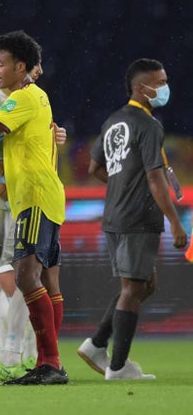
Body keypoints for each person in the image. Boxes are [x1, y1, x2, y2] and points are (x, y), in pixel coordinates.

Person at [78, 58, 187, 380]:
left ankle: (97, 344)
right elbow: (155, 177)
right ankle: (117, 366)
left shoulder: (114, 120)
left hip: (116, 214)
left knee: (143, 284)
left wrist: (123, 187)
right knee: (133, 287)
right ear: (141, 88)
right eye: (160, 82)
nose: (165, 88)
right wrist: (175, 223)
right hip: (138, 218)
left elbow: (94, 168)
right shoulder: (149, 125)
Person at [0, 30, 68, 385]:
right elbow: (25, 145)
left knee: (25, 276)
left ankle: (49, 362)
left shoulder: (22, 98)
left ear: (21, 67)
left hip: (34, 197)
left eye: (0, 64)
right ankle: (49, 362)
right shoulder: (36, 97)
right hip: (42, 196)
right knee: (46, 279)